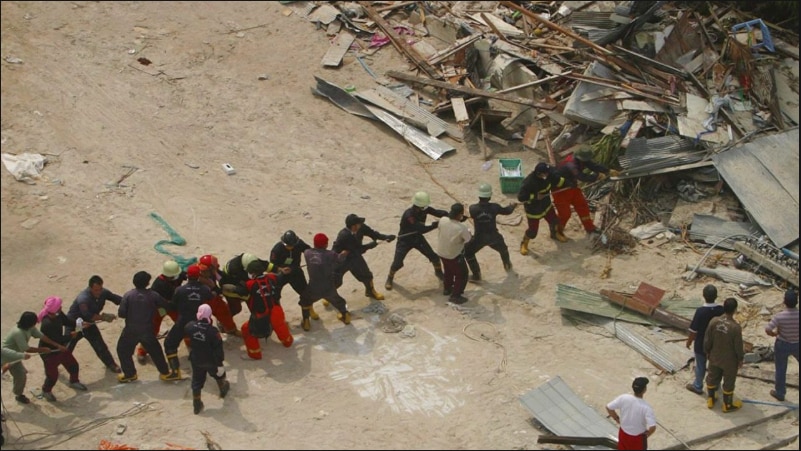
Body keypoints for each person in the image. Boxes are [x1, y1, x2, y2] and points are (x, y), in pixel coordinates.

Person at [116, 271, 181, 383]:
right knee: (156, 352)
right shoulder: (153, 295)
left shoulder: (128, 295)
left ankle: (130, 374)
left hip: (130, 330)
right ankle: (165, 373)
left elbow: (121, 313)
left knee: (123, 350)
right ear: (147, 283)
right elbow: (167, 306)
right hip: (147, 330)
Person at [385, 191, 448, 290]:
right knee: (397, 263)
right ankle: (390, 277)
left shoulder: (424, 209)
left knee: (434, 257)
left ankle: (439, 272)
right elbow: (422, 229)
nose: (426, 208)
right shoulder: (409, 215)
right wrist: (436, 224)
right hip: (405, 240)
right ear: (419, 206)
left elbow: (438, 213)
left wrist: (451, 215)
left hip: (417, 238)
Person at [551, 146, 618, 238]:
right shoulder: (571, 165)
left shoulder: (582, 160)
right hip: (560, 190)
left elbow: (593, 166)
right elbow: (581, 177)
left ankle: (589, 227)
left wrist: (608, 170)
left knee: (582, 206)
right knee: (565, 213)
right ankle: (556, 232)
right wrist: (596, 176)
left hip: (572, 187)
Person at [2, 312, 68, 404]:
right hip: (6, 356)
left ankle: (18, 394)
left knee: (21, 375)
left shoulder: (30, 328)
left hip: (16, 357)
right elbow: (26, 349)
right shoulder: (18, 332)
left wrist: (57, 345)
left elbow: (42, 336)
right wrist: (42, 349)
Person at [164, 264, 214, 379]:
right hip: (199, 321)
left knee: (170, 344)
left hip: (183, 322)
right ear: (199, 276)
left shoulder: (180, 290)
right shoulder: (204, 289)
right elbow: (211, 297)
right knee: (203, 343)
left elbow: (173, 305)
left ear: (187, 276)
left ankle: (175, 372)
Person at [66, 275, 123, 373]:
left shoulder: (103, 293)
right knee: (67, 347)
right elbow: (89, 315)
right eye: (96, 290)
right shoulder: (83, 299)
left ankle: (110, 364)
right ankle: (55, 364)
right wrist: (104, 317)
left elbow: (118, 299)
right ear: (90, 288)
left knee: (100, 345)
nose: (99, 292)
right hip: (75, 325)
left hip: (89, 325)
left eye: (100, 289)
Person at [333, 214, 396, 301]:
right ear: (353, 226)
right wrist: (370, 245)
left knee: (367, 275)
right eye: (358, 223)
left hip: (355, 258)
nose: (360, 224)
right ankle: (329, 295)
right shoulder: (344, 235)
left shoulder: (361, 227)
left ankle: (370, 291)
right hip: (342, 260)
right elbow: (358, 250)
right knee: (336, 280)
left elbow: (373, 234)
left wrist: (385, 237)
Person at [37, 296, 87, 401]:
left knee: (73, 365)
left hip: (60, 348)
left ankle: (74, 381)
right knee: (52, 375)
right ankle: (46, 390)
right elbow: (57, 339)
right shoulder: (47, 324)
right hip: (49, 352)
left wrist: (79, 324)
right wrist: (70, 336)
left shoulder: (58, 315)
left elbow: (67, 321)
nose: (61, 308)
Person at [241, 260, 294, 359]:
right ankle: (288, 342)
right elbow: (281, 276)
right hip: (276, 310)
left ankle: (254, 354)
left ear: (253, 273)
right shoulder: (272, 277)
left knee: (246, 329)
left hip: (261, 315)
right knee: (280, 325)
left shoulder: (249, 284)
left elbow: (239, 292)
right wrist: (283, 272)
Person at [136, 260, 186, 364]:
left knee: (183, 325)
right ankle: (142, 351)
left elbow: (187, 276)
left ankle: (191, 345)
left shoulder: (177, 274)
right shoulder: (158, 285)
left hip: (173, 306)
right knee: (152, 329)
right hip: (159, 308)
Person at [464, 183, 517, 280]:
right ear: (489, 196)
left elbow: (468, 215)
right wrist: (512, 206)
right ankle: (507, 264)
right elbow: (507, 211)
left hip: (479, 238)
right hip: (493, 236)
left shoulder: (473, 208)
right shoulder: (495, 207)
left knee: (468, 253)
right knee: (503, 249)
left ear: (479, 195)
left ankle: (476, 275)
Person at [300, 233, 352, 331]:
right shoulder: (330, 254)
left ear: (314, 243)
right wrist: (345, 252)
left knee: (304, 301)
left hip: (313, 287)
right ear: (326, 245)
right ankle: (346, 317)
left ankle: (306, 322)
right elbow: (340, 259)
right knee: (339, 302)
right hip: (328, 286)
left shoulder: (307, 253)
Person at [185, 304, 230, 415]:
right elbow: (219, 350)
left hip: (196, 359)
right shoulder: (213, 331)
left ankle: (196, 404)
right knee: (218, 374)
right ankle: (222, 388)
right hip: (211, 361)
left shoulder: (189, 326)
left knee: (197, 381)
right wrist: (220, 363)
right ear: (210, 316)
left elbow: (188, 340)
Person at [704, 297, 744, 412]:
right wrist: (740, 358)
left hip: (714, 355)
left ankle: (711, 399)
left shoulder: (714, 321)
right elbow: (738, 346)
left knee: (712, 376)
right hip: (729, 360)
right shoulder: (735, 327)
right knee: (729, 381)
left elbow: (707, 339)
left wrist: (707, 351)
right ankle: (727, 405)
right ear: (735, 310)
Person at [517, 162, 566, 255]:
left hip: (546, 205)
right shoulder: (529, 182)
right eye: (546, 173)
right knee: (533, 232)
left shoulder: (548, 175)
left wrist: (569, 183)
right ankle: (524, 243)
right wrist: (535, 196)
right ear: (539, 174)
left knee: (554, 221)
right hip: (534, 209)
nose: (548, 174)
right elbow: (521, 197)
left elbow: (558, 181)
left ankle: (554, 234)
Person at [269, 230, 319, 323]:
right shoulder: (276, 250)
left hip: (296, 272)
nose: (290, 247)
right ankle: (281, 318)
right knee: (274, 296)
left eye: (292, 245)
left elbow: (308, 250)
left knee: (306, 293)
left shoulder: (299, 243)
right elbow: (272, 265)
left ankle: (309, 311)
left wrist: (311, 260)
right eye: (288, 245)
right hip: (281, 275)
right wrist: (280, 269)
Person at [685, 284, 724, 395]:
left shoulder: (700, 312)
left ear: (703, 296)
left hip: (701, 344)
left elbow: (693, 331)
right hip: (716, 344)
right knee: (715, 366)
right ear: (716, 296)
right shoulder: (721, 310)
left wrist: (689, 342)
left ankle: (698, 386)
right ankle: (715, 385)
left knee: (700, 366)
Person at [765, 289, 799, 402]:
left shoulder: (780, 316)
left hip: (782, 343)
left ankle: (780, 393)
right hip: (797, 344)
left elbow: (768, 329)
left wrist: (774, 334)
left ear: (784, 301)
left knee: (780, 369)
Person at [606, 376, 657, 450]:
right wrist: (647, 434)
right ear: (644, 390)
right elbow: (653, 427)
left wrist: (616, 418)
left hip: (623, 433)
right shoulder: (646, 407)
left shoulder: (624, 397)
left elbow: (609, 407)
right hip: (637, 439)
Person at [436, 203, 472, 304]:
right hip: (453, 255)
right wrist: (468, 232)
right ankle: (456, 296)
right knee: (462, 274)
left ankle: (447, 289)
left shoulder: (442, 220)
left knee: (448, 271)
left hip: (441, 252)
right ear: (460, 214)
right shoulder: (462, 227)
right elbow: (468, 239)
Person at [197, 254, 240, 336]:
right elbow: (214, 289)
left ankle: (231, 330)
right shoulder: (199, 278)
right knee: (203, 319)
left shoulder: (211, 272)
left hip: (214, 298)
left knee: (224, 312)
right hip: (202, 301)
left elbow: (223, 278)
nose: (203, 272)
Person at [219, 252, 265, 317]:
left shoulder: (253, 261)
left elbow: (266, 265)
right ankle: (223, 318)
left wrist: (278, 269)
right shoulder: (234, 270)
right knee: (236, 308)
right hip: (230, 289)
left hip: (243, 287)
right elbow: (244, 289)